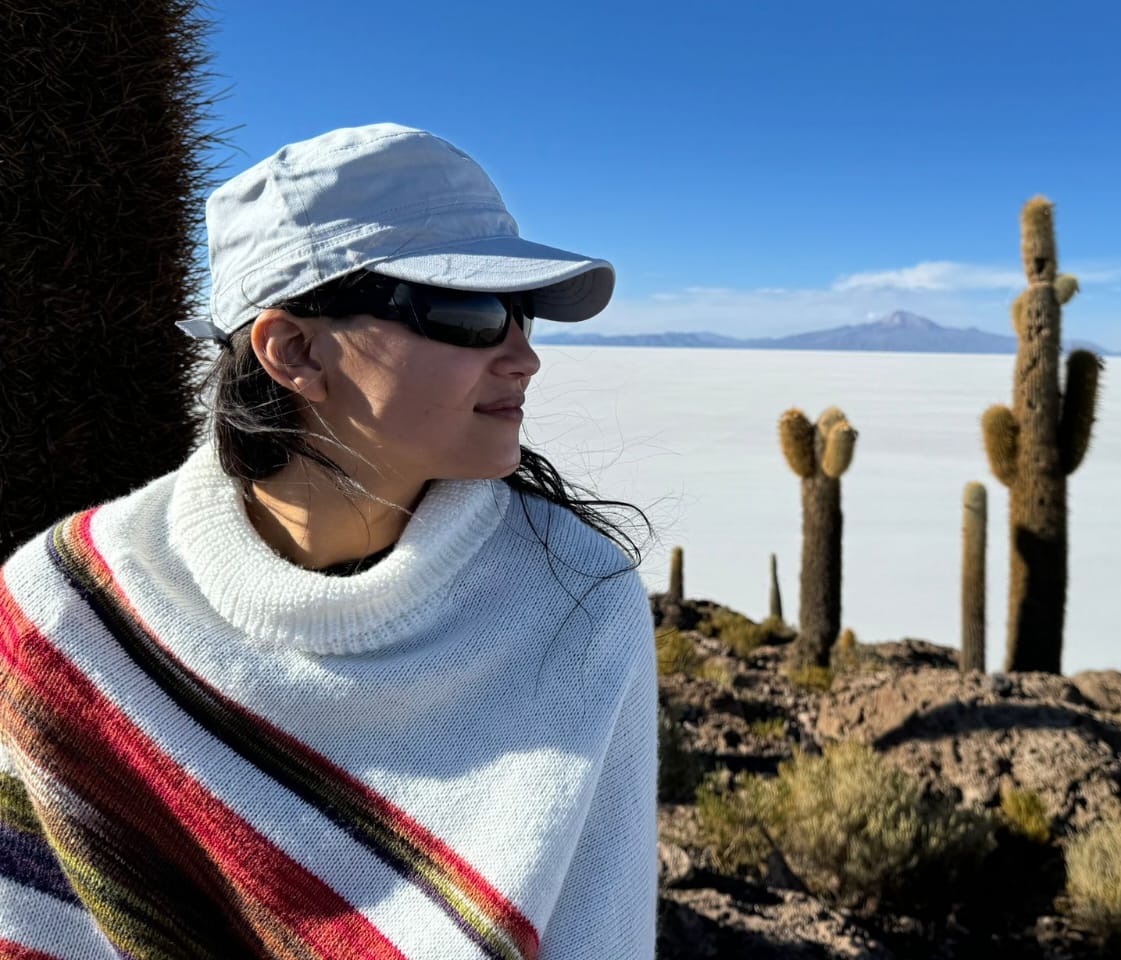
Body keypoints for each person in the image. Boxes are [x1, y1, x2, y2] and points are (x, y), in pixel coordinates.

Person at [0, 124, 660, 959]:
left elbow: (604, 935)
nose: (523, 357)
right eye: (471, 312)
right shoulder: (72, 613)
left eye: (523, 314)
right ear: (293, 350)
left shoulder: (576, 602)